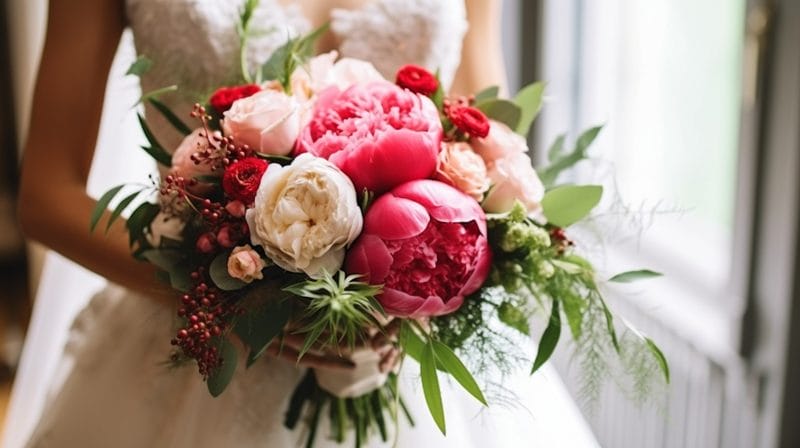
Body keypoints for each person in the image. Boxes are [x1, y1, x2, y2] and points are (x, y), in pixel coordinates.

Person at [9, 0, 598, 446]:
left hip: (408, 351)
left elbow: (480, 133)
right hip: (200, 337)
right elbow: (46, 196)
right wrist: (223, 293)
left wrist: (443, 265)